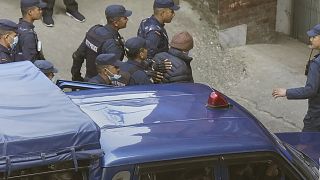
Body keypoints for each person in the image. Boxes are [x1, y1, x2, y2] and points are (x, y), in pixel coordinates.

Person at [272, 24, 320, 132]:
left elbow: (310, 90)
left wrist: (286, 92)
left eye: (314, 37)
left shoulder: (316, 65)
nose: (310, 39)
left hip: (316, 117)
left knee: (305, 146)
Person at [71, 4, 132, 82]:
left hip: (89, 79)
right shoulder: (112, 45)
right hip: (102, 85)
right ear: (116, 23)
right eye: (124, 18)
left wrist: (76, 78)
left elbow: (77, 56)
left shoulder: (94, 30)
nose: (127, 20)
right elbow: (113, 72)